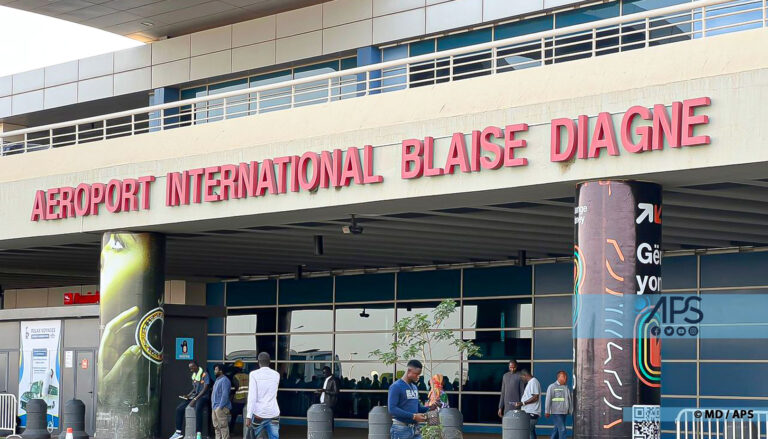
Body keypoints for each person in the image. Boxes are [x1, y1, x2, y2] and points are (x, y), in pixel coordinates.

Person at [388, 359, 435, 439]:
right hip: (401, 429)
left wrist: (430, 408)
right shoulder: (396, 386)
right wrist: (413, 416)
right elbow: (392, 409)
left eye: (419, 375)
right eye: (416, 374)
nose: (418, 377)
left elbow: (418, 408)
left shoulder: (414, 387)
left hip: (415, 428)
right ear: (409, 371)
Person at [170, 361, 212, 439]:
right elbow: (194, 388)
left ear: (196, 366)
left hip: (203, 396)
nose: (191, 370)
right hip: (195, 396)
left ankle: (198, 433)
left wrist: (195, 399)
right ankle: (178, 432)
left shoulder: (204, 374)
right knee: (179, 408)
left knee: (198, 408)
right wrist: (188, 395)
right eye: (190, 368)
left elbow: (205, 389)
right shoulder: (194, 375)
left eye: (192, 368)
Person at [246, 352, 280, 439]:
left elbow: (252, 397)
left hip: (259, 414)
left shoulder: (253, 374)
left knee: (257, 436)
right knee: (274, 437)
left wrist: (248, 416)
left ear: (258, 362)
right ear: (269, 362)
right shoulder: (276, 375)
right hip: (273, 413)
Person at [545, 371, 573, 439]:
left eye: (566, 376)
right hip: (556, 412)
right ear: (559, 377)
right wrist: (547, 411)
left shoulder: (566, 387)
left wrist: (570, 410)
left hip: (564, 412)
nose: (566, 378)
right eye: (564, 376)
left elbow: (569, 400)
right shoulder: (552, 387)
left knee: (557, 429)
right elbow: (548, 399)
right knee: (562, 429)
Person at [212, 364, 232, 439]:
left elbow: (225, 395)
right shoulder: (217, 380)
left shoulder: (225, 380)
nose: (214, 371)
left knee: (223, 426)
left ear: (221, 371)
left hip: (221, 408)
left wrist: (220, 407)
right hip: (215, 407)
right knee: (216, 427)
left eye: (216, 369)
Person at [519, 370, 541, 439]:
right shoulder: (531, 382)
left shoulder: (533, 382)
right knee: (531, 431)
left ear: (525, 376)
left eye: (521, 378)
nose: (522, 380)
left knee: (528, 431)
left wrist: (523, 403)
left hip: (532, 412)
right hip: (529, 412)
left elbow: (535, 397)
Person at [230, 360, 249, 432]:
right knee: (246, 417)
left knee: (233, 417)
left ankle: (231, 431)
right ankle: (246, 432)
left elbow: (235, 388)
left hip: (238, 400)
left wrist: (231, 397)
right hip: (247, 399)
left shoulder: (235, 376)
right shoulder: (247, 376)